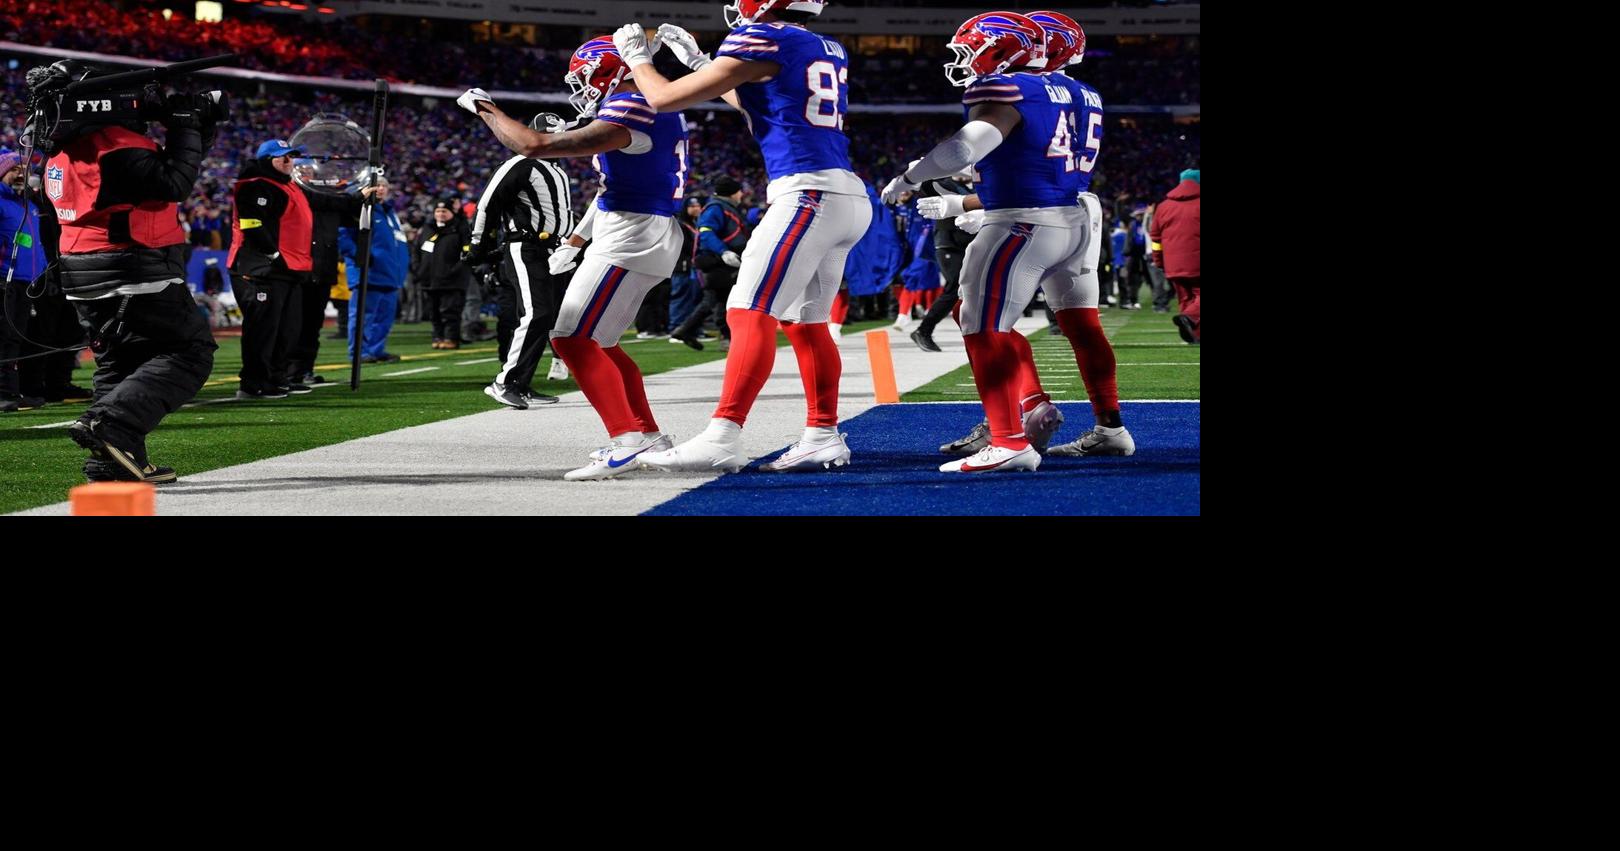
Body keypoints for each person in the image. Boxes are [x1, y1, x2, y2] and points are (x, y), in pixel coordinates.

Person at [613, 1, 873, 473]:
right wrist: (702, 66)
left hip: (808, 192)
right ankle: (822, 434)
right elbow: (761, 105)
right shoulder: (820, 45)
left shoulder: (766, 38)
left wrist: (637, 59)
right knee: (805, 322)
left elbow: (663, 99)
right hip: (844, 194)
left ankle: (723, 435)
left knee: (748, 310)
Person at [886, 10, 1131, 473]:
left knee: (980, 323)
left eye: (972, 47)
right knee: (1082, 325)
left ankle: (1008, 439)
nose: (963, 59)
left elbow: (963, 148)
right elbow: (1033, 154)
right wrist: (969, 203)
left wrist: (911, 177)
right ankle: (1110, 427)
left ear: (1007, 50)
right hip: (1074, 216)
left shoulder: (1008, 88)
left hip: (1024, 221)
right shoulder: (1084, 93)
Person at [459, 34, 688, 480]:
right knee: (601, 341)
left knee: (569, 338)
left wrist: (485, 108)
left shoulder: (630, 107)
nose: (582, 86)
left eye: (586, 76)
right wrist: (577, 241)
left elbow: (532, 145)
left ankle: (625, 441)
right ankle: (647, 435)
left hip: (632, 232)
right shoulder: (655, 104)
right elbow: (610, 189)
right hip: (641, 225)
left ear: (614, 70)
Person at [30, 60, 220, 482]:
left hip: (82, 271)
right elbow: (173, 184)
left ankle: (110, 461)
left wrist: (195, 130)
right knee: (189, 352)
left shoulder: (64, 152)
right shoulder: (116, 145)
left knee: (117, 364)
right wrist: (185, 126)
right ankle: (115, 425)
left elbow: (154, 180)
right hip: (133, 267)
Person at [229, 139, 375, 397]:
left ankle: (276, 378)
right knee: (263, 330)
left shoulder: (292, 187)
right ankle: (253, 384)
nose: (288, 161)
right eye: (281, 157)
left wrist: (358, 197)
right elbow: (251, 226)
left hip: (289, 270)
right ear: (266, 160)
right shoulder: (256, 186)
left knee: (288, 329)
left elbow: (328, 202)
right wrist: (274, 255)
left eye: (291, 156)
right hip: (262, 270)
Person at [467, 111, 576, 410]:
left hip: (553, 252)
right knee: (536, 313)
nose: (553, 141)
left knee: (544, 316)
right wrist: (478, 244)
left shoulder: (557, 170)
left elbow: (560, 215)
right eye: (547, 135)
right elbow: (488, 204)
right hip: (525, 247)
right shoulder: (519, 164)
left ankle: (521, 383)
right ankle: (505, 382)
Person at [668, 176, 748, 350]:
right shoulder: (717, 208)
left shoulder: (723, 207)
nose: (741, 194)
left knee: (718, 300)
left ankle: (688, 331)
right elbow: (706, 231)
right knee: (717, 300)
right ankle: (715, 335)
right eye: (739, 190)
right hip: (717, 261)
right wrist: (723, 251)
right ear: (732, 192)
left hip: (720, 261)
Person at [337, 174, 409, 363]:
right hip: (368, 273)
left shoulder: (388, 212)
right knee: (363, 317)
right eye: (376, 185)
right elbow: (343, 237)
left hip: (390, 275)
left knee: (384, 318)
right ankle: (359, 352)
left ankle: (376, 350)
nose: (381, 189)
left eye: (384, 185)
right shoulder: (360, 209)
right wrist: (362, 258)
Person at [412, 199, 473, 350]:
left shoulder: (461, 228)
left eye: (444, 211)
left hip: (452, 280)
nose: (441, 214)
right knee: (433, 312)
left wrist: (455, 271)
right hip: (429, 280)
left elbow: (467, 254)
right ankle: (438, 337)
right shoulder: (427, 228)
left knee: (450, 311)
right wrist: (418, 269)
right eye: (438, 211)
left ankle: (451, 338)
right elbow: (416, 250)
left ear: (452, 213)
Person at [1151, 168, 1199, 343]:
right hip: (1197, 263)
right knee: (1196, 300)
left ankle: (1193, 336)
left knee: (1186, 298)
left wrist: (1159, 261)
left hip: (1172, 264)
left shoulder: (1163, 206)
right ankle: (1188, 318)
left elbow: (1155, 237)